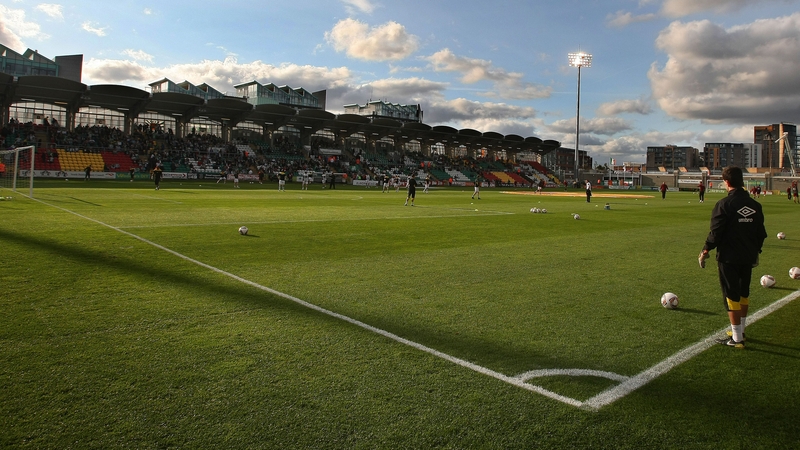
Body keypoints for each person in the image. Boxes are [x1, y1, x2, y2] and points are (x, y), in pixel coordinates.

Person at [698, 166, 767, 349]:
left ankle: (737, 338)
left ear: (726, 182)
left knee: (731, 295)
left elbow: (716, 232)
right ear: (742, 181)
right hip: (748, 256)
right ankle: (741, 330)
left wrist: (706, 250)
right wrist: (756, 251)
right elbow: (761, 233)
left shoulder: (724, 205)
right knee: (744, 293)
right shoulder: (755, 205)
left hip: (729, 257)